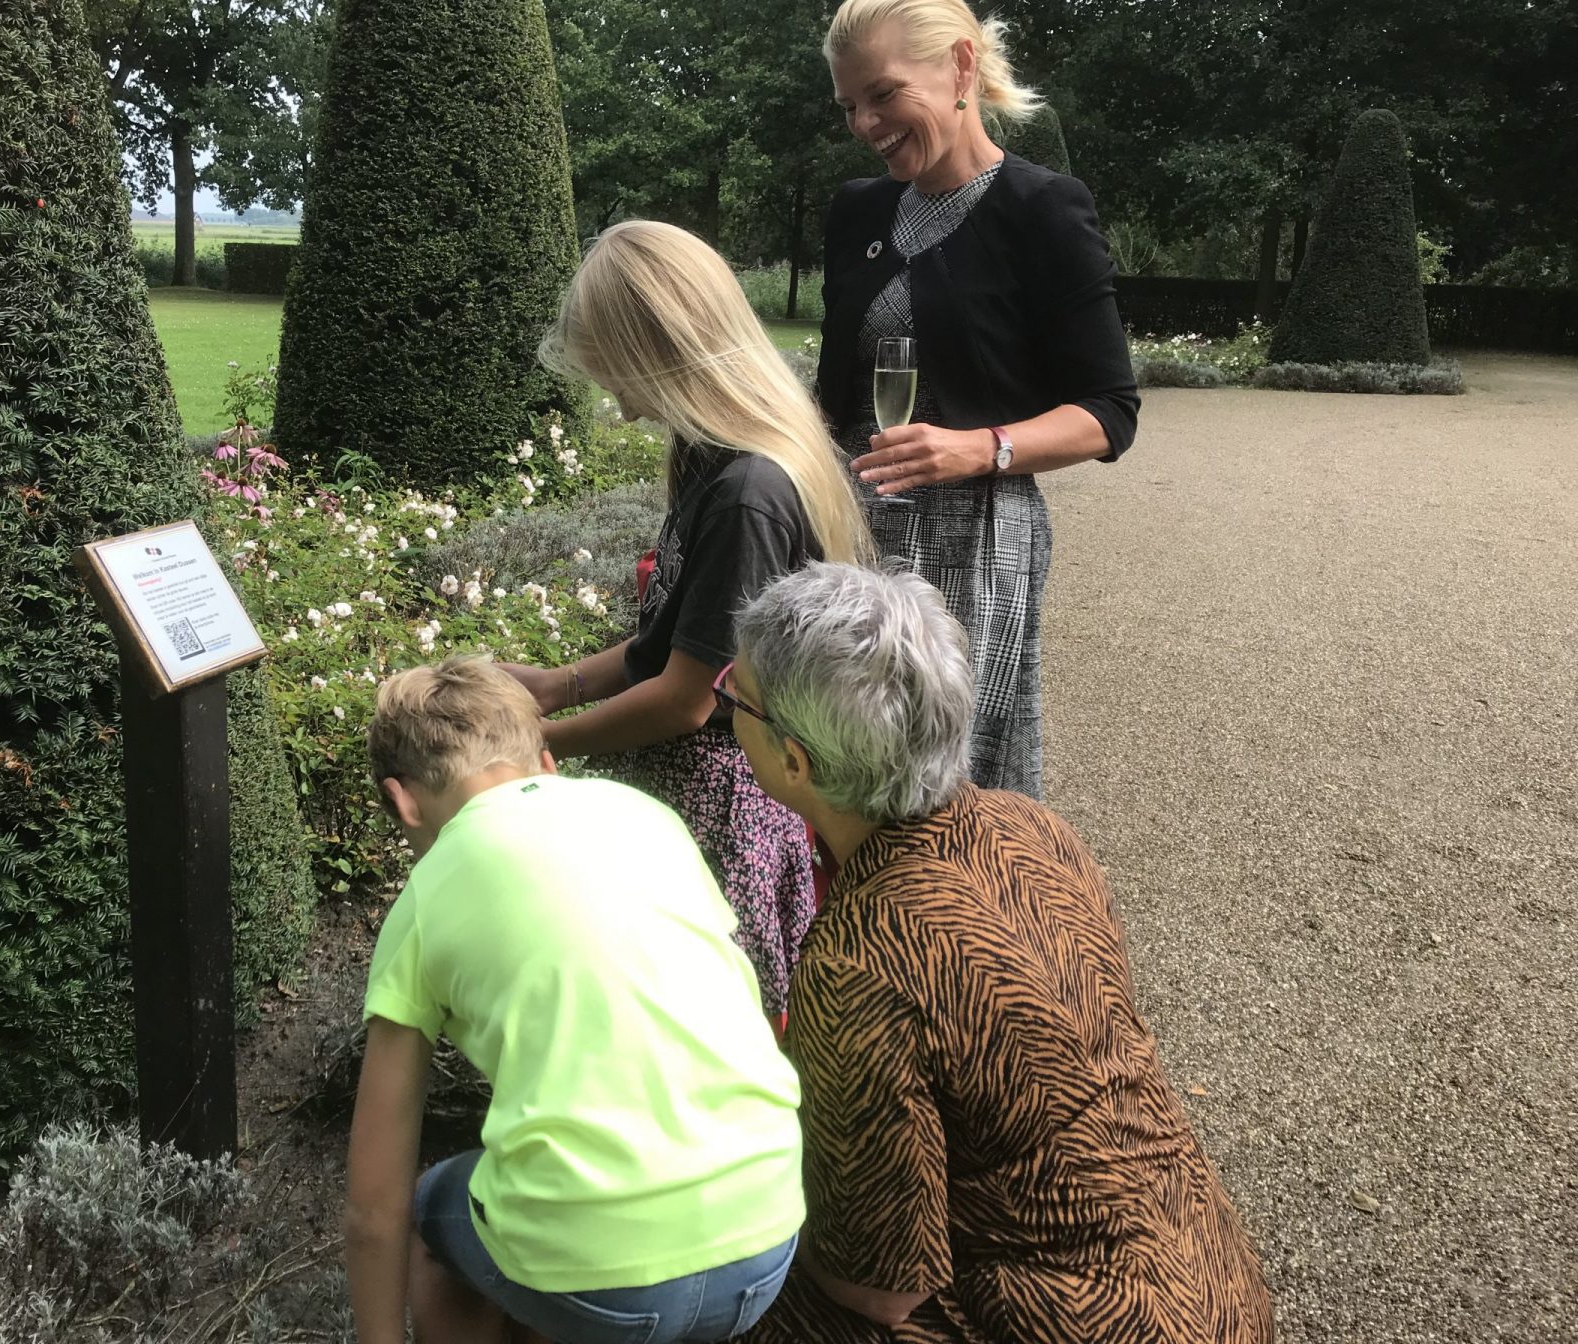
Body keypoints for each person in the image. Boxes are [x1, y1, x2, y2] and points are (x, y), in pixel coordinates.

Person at [712, 563, 1274, 1344]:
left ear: (796, 761)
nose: (724, 699)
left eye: (735, 695)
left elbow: (881, 1286)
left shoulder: (861, 961)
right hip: (1212, 1281)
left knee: (737, 1293)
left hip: (1077, 1321)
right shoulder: (1032, 829)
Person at [345, 654, 805, 1344]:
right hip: (769, 1237)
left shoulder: (424, 897)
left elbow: (373, 1209)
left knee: (441, 1209)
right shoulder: (649, 818)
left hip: (598, 1280)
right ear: (547, 764)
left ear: (403, 801)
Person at [502, 219, 872, 1013]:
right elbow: (670, 639)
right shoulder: (708, 456)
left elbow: (686, 698)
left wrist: (532, 746)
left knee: (702, 1012)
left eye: (615, 368)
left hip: (718, 805)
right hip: (694, 788)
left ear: (658, 348)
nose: (616, 400)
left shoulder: (748, 493)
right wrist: (553, 687)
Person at [816, 0, 1141, 799]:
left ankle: (965, 922)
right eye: (851, 105)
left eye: (883, 95)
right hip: (851, 525)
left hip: (975, 541)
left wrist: (979, 447)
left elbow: (1109, 413)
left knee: (944, 777)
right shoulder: (856, 213)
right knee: (835, 761)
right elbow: (833, 394)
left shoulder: (1043, 210)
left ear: (962, 67)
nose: (865, 125)